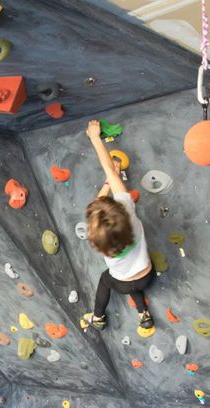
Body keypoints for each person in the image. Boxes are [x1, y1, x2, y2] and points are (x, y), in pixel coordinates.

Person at [82, 119, 154, 331]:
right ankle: (143, 313)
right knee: (133, 280)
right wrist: (96, 137)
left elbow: (94, 208)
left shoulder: (101, 242)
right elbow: (110, 170)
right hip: (146, 274)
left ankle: (98, 317)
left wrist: (106, 183)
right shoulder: (128, 209)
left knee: (106, 280)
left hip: (122, 282)